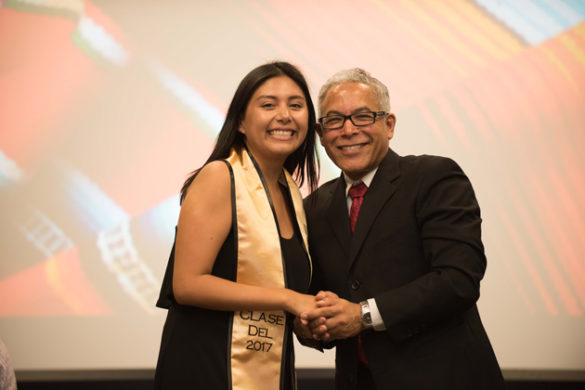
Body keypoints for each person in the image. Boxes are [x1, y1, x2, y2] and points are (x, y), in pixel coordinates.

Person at [298, 68, 505, 389]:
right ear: (321, 133)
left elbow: (459, 280)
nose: (348, 130)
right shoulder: (313, 207)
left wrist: (363, 315)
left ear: (389, 124)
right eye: (334, 120)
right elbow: (319, 299)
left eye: (363, 116)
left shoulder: (433, 177)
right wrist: (312, 325)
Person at [154, 61, 320, 390]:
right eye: (268, 104)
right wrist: (287, 298)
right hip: (208, 368)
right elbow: (187, 285)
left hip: (269, 371)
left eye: (296, 105)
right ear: (241, 121)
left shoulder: (291, 193)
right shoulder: (220, 176)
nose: (285, 115)